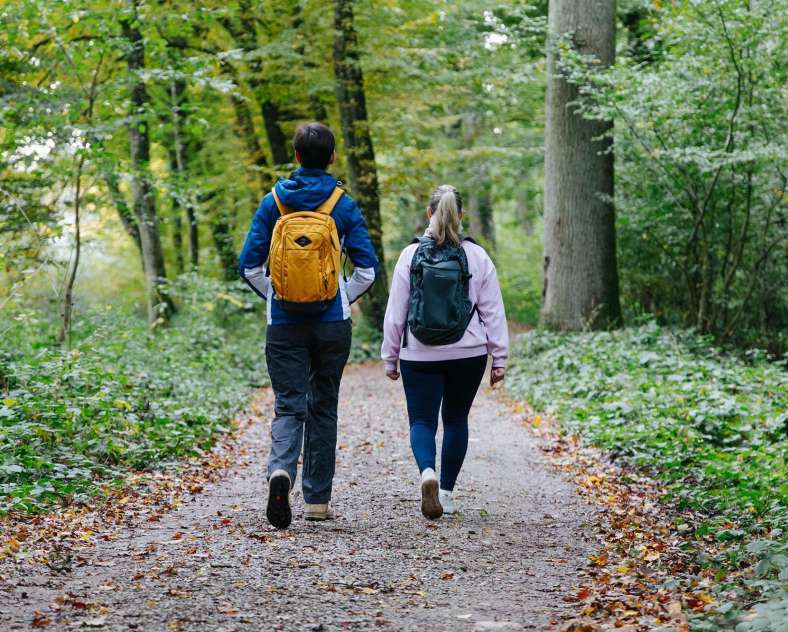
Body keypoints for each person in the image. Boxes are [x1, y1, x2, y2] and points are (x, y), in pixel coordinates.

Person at [238, 122, 379, 529]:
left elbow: (248, 266)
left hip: (284, 323)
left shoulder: (273, 203)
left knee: (288, 404)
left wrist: (276, 294)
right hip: (332, 323)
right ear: (332, 157)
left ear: (296, 156)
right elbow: (367, 270)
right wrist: (340, 296)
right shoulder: (343, 205)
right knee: (323, 405)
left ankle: (281, 470)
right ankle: (317, 501)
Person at [381, 185, 508, 519]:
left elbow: (396, 312)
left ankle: (428, 473)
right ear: (461, 215)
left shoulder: (410, 255)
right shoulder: (477, 256)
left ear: (429, 213)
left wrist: (390, 356)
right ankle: (447, 494)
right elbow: (493, 312)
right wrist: (499, 357)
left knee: (422, 421)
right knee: (455, 419)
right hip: (468, 353)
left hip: (419, 352)